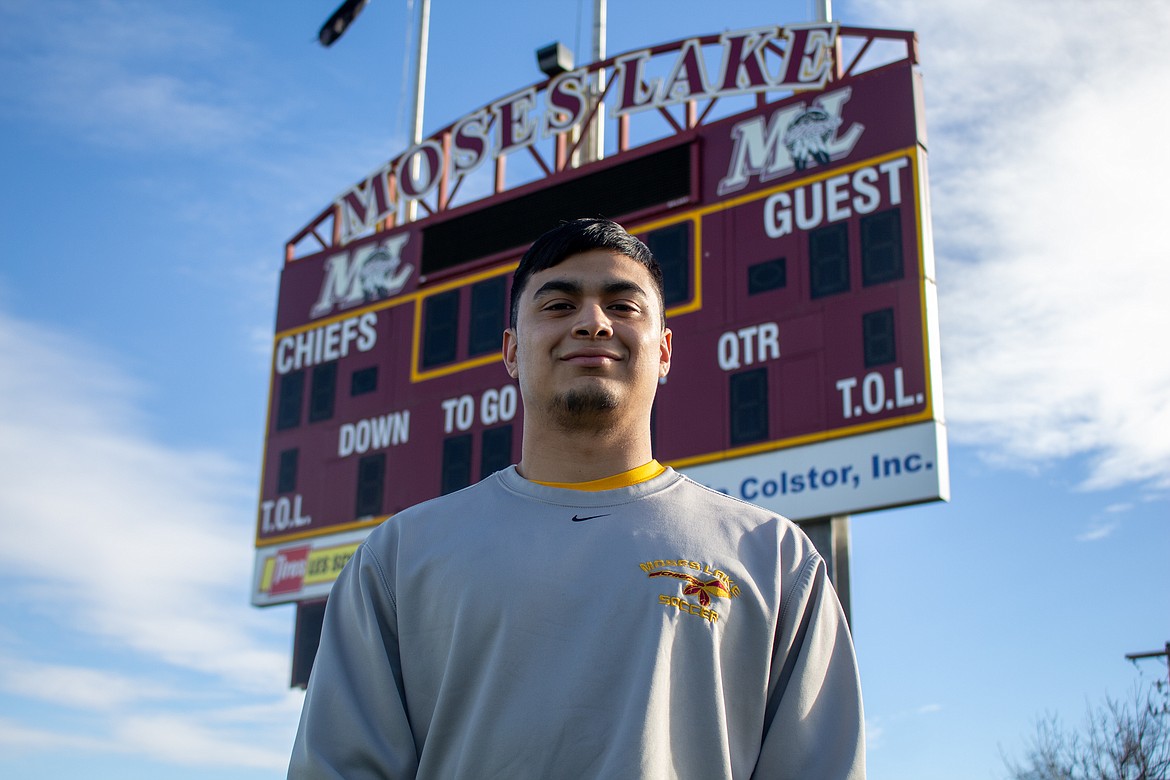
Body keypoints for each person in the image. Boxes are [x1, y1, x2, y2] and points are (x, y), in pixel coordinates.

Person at [288, 218, 865, 779]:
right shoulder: (400, 557)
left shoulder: (774, 557)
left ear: (664, 350)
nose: (592, 322)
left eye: (623, 305)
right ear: (512, 351)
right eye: (559, 305)